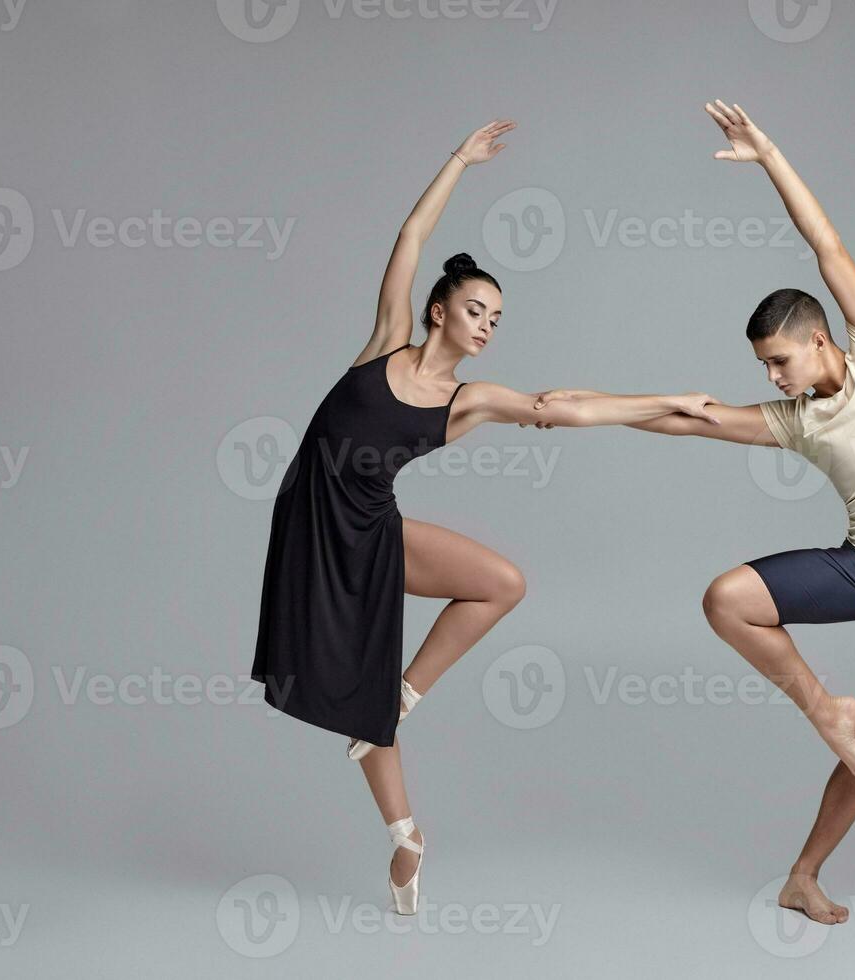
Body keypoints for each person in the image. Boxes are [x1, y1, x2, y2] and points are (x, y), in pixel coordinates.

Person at [251, 119, 721, 915]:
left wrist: (666, 398)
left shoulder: (468, 403)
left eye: (497, 318)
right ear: (439, 312)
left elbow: (558, 407)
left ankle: (404, 818)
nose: (487, 324)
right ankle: (389, 756)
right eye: (476, 309)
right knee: (348, 685)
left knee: (499, 583)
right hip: (310, 527)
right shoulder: (384, 345)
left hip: (372, 533)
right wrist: (459, 162)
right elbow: (411, 233)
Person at [531, 101, 855, 926]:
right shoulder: (796, 420)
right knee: (726, 600)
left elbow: (827, 245)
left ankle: (802, 877)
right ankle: (821, 706)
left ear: (816, 339)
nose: (771, 378)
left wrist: (770, 155)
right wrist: (584, 409)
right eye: (763, 367)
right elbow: (689, 419)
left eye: (777, 361)